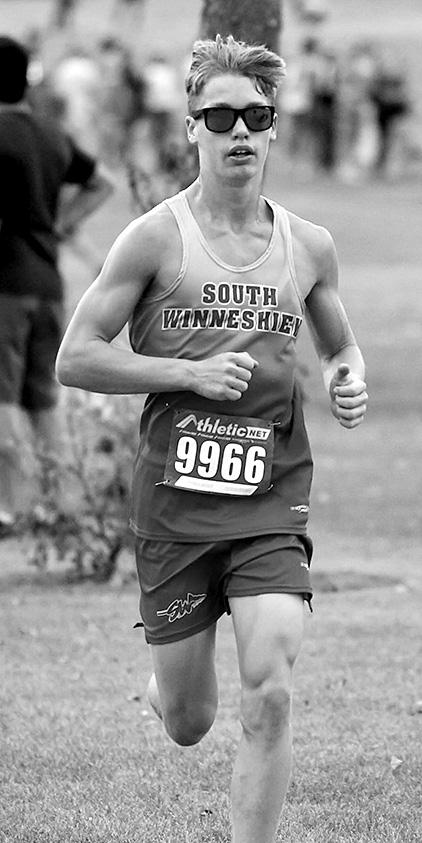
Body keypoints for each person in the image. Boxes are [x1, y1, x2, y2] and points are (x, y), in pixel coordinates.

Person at [56, 35, 368, 843]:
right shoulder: (154, 239)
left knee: (271, 690)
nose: (239, 133)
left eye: (255, 117)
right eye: (220, 117)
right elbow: (76, 357)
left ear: (274, 128)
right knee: (190, 721)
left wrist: (348, 375)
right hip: (176, 506)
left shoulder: (309, 245)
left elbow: (340, 344)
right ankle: (168, 685)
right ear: (190, 126)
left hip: (270, 498)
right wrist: (186, 374)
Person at [0, 36, 114, 535]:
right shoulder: (51, 133)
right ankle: (65, 507)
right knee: (42, 400)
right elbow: (102, 182)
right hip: (49, 283)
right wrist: (59, 226)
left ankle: (13, 509)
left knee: (2, 398)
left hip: (6, 284)